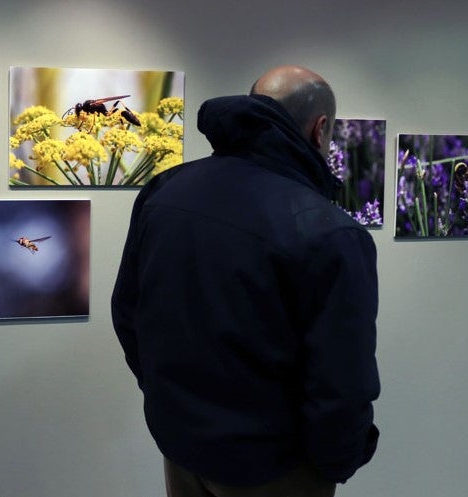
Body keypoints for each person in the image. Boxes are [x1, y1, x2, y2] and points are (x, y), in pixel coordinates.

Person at [111, 65, 380, 497]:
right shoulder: (330, 232)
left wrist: (172, 404)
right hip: (274, 467)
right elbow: (341, 381)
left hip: (182, 448)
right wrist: (332, 464)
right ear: (321, 128)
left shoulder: (166, 190)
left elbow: (129, 314)